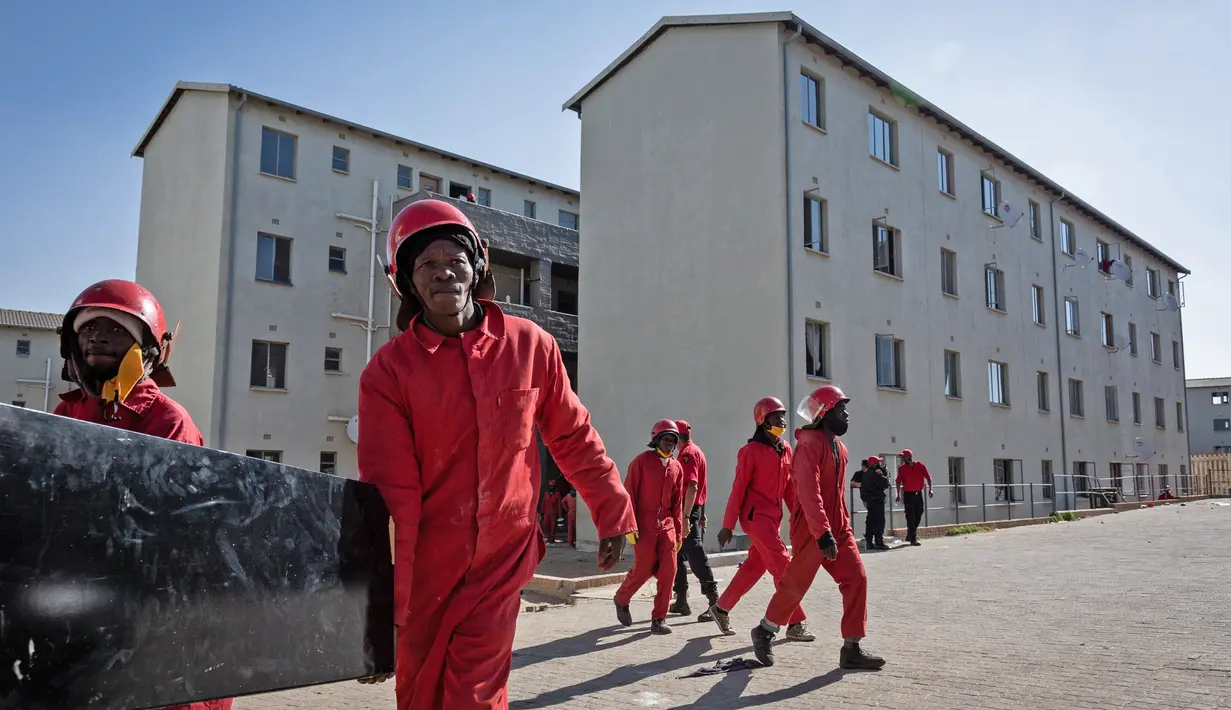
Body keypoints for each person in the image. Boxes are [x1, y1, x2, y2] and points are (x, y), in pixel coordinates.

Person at [357, 199, 638, 710]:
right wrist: (385, 612)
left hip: (501, 561)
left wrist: (612, 510)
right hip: (425, 573)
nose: (443, 271)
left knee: (475, 696)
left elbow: (572, 434)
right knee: (420, 696)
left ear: (478, 266)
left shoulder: (532, 346)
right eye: (425, 263)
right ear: (406, 281)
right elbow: (389, 497)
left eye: (455, 259)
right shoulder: (387, 374)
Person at [54, 279, 233, 710]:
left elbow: (171, 537)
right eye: (87, 328)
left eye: (115, 329)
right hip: (83, 618)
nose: (96, 335)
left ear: (148, 349)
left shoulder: (168, 421)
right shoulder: (64, 413)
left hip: (156, 625)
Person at [750, 385, 885, 671]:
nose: (846, 415)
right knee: (796, 583)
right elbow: (810, 494)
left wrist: (842, 529)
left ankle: (852, 648)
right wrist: (822, 532)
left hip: (838, 527)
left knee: (856, 578)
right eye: (840, 409)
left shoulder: (840, 447)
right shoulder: (808, 445)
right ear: (824, 413)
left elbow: (836, 494)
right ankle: (765, 630)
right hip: (812, 528)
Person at [709, 397, 813, 642]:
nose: (782, 421)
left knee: (755, 566)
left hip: (772, 518)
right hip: (755, 518)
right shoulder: (750, 452)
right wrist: (727, 525)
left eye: (783, 416)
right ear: (762, 420)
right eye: (776, 417)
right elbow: (738, 489)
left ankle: (721, 608)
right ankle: (796, 621)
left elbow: (789, 487)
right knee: (782, 564)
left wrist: (798, 515)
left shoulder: (785, 449)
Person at [614, 419, 685, 635]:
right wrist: (629, 525)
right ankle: (621, 598)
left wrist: (679, 533)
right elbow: (628, 495)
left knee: (669, 572)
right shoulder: (640, 463)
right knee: (643, 569)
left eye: (673, 441)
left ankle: (659, 619)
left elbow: (677, 503)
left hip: (668, 526)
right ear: (655, 440)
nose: (670, 444)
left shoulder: (677, 467)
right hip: (643, 525)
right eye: (665, 440)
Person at [670, 419, 718, 621]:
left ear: (675, 438)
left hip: (686, 508)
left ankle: (715, 601)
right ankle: (681, 600)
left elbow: (692, 486)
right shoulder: (695, 450)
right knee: (678, 554)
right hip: (693, 507)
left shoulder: (687, 455)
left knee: (693, 551)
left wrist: (687, 515)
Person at [894, 449, 932, 546]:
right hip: (908, 495)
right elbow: (898, 481)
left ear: (909, 457)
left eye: (903, 456)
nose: (902, 458)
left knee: (919, 514)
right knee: (910, 517)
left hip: (918, 494)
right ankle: (913, 539)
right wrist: (898, 494)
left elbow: (928, 477)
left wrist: (930, 489)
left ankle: (910, 534)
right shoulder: (902, 468)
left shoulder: (920, 465)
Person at [852, 456, 891, 550]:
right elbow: (886, 484)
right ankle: (879, 542)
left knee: (870, 521)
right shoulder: (875, 474)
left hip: (869, 501)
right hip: (877, 501)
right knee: (879, 521)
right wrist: (882, 475)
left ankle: (869, 542)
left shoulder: (865, 474)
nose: (879, 464)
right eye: (878, 462)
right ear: (874, 464)